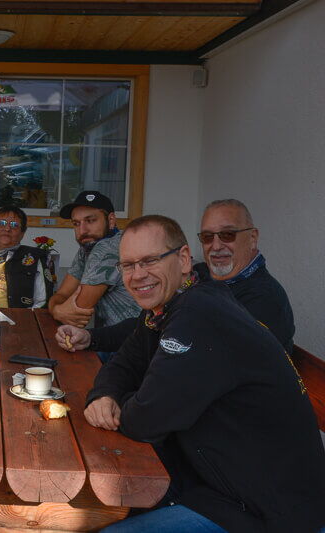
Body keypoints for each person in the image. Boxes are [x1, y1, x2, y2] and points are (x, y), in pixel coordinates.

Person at [84, 215, 325, 533]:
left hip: (269, 508)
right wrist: (104, 394)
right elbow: (124, 364)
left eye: (150, 260)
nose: (137, 274)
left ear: (183, 259)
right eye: (128, 265)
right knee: (97, 508)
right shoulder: (169, 306)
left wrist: (122, 403)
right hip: (219, 481)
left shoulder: (198, 314)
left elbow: (149, 419)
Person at [58, 199, 295, 354]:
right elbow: (144, 328)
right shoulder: (199, 277)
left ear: (252, 238)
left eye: (227, 235)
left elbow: (203, 368)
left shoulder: (264, 298)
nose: (216, 245)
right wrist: (90, 337)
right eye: (207, 237)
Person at [49, 191, 140, 330]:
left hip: (132, 339)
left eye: (90, 221)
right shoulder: (88, 247)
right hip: (111, 335)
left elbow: (77, 312)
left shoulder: (108, 247)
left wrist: (56, 310)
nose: (82, 230)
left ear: (111, 220)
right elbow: (62, 294)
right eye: (76, 223)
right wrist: (57, 310)